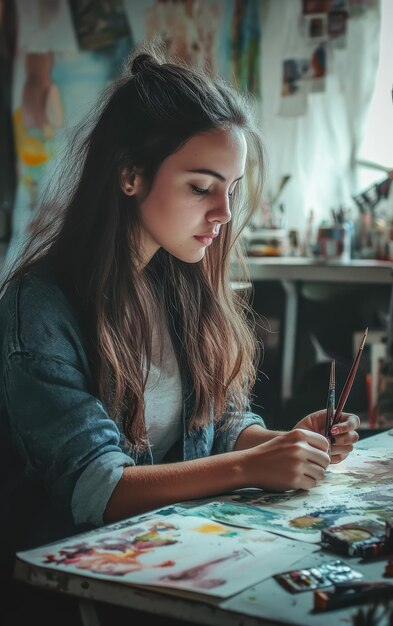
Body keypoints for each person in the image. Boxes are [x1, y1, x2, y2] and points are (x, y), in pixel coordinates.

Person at [0, 40, 360, 595]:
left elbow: (217, 427)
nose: (223, 213)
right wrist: (252, 467)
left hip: (169, 559)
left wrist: (282, 443)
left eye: (232, 191)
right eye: (201, 187)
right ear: (130, 176)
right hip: (77, 585)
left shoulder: (179, 281)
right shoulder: (40, 307)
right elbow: (97, 487)